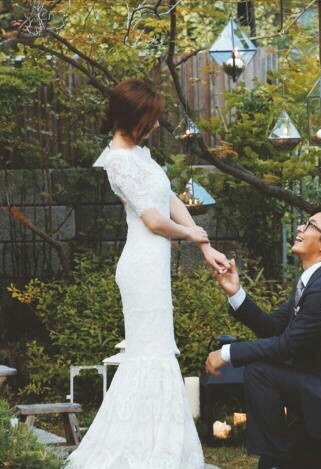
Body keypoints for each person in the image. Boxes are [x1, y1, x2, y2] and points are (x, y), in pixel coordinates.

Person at [68, 79, 229, 469]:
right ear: (132, 117)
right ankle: (143, 451)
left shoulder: (141, 154)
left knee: (157, 352)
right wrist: (190, 235)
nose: (157, 126)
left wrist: (204, 246)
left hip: (154, 268)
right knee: (149, 354)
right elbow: (154, 221)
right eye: (151, 118)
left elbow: (169, 199)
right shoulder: (118, 161)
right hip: (141, 268)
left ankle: (158, 446)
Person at [206, 206, 321, 469]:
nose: (300, 228)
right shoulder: (314, 281)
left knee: (260, 371)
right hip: (319, 382)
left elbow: (287, 345)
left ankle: (279, 458)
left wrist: (227, 353)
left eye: (310, 225)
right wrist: (235, 292)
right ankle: (280, 457)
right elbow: (272, 328)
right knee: (260, 370)